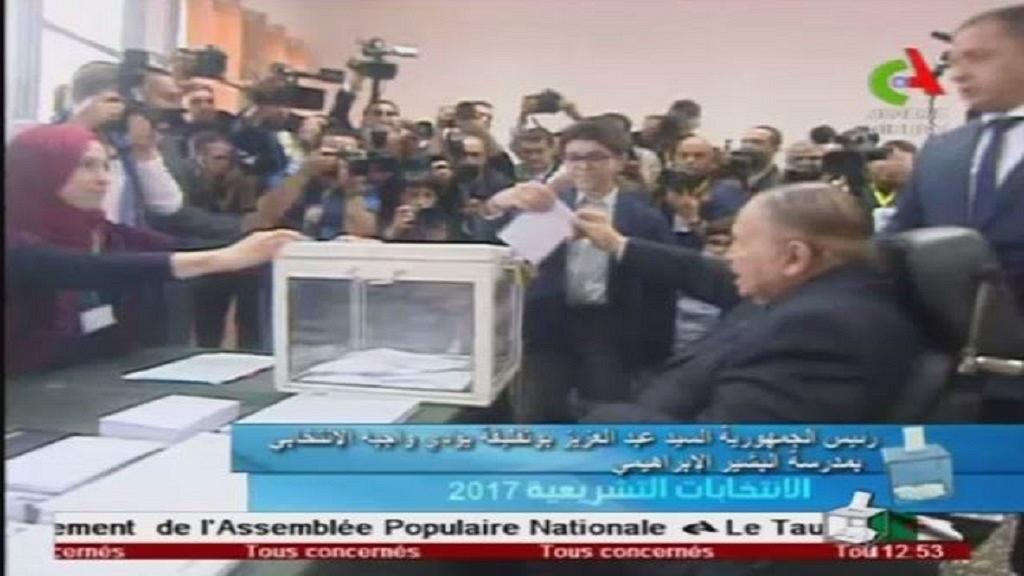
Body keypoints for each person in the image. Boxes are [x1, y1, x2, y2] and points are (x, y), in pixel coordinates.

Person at [573, 182, 922, 424]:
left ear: (795, 257)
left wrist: (605, 420)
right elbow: (705, 274)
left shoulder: (816, 331)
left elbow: (728, 457)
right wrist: (616, 243)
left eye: (738, 243)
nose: (729, 256)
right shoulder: (818, 290)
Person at [887, 7, 1024, 573]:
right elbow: (898, 246)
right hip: (947, 373)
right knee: (915, 528)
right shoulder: (943, 150)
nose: (959, 73)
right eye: (954, 60)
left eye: (979, 57)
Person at [4, 124, 302, 375]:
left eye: (106, 165)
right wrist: (222, 259)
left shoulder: (103, 231)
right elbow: (84, 269)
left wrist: (281, 249)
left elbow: (178, 247)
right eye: (86, 165)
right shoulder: (15, 240)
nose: (103, 179)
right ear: (39, 171)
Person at [477, 120, 677, 422]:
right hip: (546, 324)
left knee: (606, 416)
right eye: (574, 158)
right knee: (538, 416)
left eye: (595, 157)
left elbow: (662, 285)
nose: (583, 166)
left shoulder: (644, 217)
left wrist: (657, 348)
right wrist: (497, 203)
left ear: (620, 161)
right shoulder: (546, 205)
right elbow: (489, 243)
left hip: (610, 326)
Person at [660, 134, 748, 250]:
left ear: (713, 162)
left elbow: (729, 234)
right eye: (683, 155)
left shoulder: (726, 191)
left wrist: (692, 217)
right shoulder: (664, 188)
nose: (690, 160)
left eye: (699, 156)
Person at [865, 140, 916, 231]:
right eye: (885, 159)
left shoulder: (915, 197)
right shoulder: (857, 192)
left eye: (899, 162)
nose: (888, 165)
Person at [740, 125, 784, 193]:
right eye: (744, 142)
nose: (748, 146)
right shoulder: (729, 180)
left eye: (756, 142)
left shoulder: (785, 184)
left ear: (776, 148)